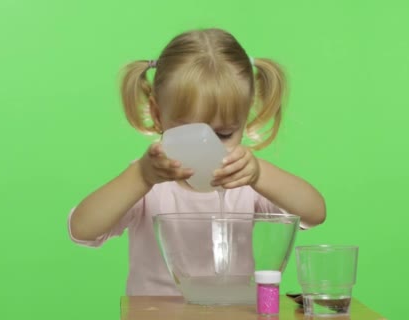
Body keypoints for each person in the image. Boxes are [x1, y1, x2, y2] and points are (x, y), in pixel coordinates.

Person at [68, 28, 326, 296]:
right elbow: (82, 229)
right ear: (158, 115)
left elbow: (314, 213)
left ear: (244, 120)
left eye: (224, 134)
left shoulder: (245, 181)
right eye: (190, 133)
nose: (208, 147)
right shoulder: (148, 184)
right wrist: (140, 177)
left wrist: (260, 174)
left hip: (230, 313)